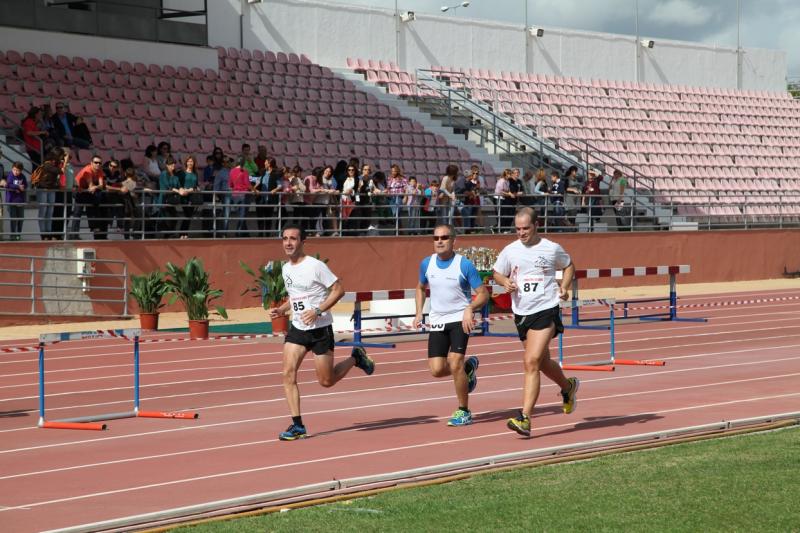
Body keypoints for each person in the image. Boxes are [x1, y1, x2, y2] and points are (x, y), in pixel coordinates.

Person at [271, 224, 376, 441]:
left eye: (293, 239)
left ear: (302, 242)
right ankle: (297, 425)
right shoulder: (285, 268)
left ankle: (355, 358)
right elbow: (296, 296)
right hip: (298, 329)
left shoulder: (315, 266)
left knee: (326, 381)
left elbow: (339, 290)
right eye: (285, 238)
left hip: (320, 330)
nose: (288, 243)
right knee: (287, 373)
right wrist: (282, 309)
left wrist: (318, 310)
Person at [492, 207, 579, 437]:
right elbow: (497, 272)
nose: (521, 233)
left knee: (530, 361)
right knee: (541, 362)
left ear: (536, 225)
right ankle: (568, 387)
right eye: (518, 229)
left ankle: (525, 418)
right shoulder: (510, 251)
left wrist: (564, 286)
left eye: (526, 228)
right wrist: (505, 281)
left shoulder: (551, 249)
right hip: (522, 312)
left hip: (546, 309)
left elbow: (569, 265)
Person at [413, 223, 489, 426]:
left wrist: (470, 308)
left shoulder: (464, 265)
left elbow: (484, 293)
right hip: (438, 320)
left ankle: (464, 411)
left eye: (444, 237)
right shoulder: (426, 264)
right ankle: (467, 369)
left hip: (459, 319)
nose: (440, 241)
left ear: (454, 240)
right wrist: (419, 311)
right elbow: (420, 287)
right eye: (436, 238)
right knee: (437, 370)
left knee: (454, 363)